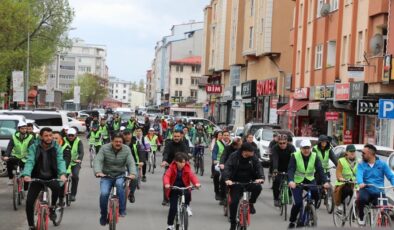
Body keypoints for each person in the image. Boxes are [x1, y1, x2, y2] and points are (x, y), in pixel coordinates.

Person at [22, 127, 67, 230]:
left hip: (52, 177)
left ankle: (52, 208)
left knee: (57, 188)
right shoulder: (34, 147)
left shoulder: (57, 147)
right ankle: (31, 225)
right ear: (41, 137)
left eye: (50, 135)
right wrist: (27, 174)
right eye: (46, 136)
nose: (49, 138)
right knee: (29, 202)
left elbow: (60, 161)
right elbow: (30, 161)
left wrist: (62, 174)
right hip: (37, 178)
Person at [93, 133, 136, 225]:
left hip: (120, 175)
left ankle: (122, 210)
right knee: (104, 194)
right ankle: (103, 215)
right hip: (106, 175)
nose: (118, 143)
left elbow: (131, 162)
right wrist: (97, 171)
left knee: (120, 185)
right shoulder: (104, 148)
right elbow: (98, 160)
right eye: (116, 141)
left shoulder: (126, 149)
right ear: (111, 141)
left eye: (120, 142)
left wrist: (132, 173)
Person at [287, 140, 330, 228]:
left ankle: (311, 209)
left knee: (316, 192)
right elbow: (291, 169)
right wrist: (291, 181)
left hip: (310, 179)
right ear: (300, 148)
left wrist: (325, 181)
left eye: (308, 148)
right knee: (298, 203)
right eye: (304, 148)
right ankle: (292, 220)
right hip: (297, 181)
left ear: (311, 148)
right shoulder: (295, 156)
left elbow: (320, 170)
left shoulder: (315, 156)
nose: (306, 150)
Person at [223, 143, 265, 230]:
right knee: (234, 202)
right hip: (236, 183)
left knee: (258, 188)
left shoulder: (253, 157)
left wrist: (261, 177)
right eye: (251, 151)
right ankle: (233, 223)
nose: (253, 153)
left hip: (249, 182)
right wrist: (227, 179)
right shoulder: (234, 156)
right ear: (245, 151)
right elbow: (227, 167)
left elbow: (258, 166)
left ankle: (251, 203)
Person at [356, 144, 394, 226]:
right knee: (361, 199)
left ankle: (383, 223)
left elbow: (391, 176)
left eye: (363, 153)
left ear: (370, 154)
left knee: (384, 209)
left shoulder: (382, 164)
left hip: (379, 191)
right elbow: (359, 174)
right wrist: (361, 183)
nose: (362, 154)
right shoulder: (361, 164)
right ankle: (361, 217)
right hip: (366, 189)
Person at [163, 152, 201, 230]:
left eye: (184, 162)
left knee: (187, 193)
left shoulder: (187, 168)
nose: (183, 164)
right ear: (176, 161)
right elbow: (167, 176)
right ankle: (170, 225)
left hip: (184, 187)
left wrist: (196, 183)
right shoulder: (171, 168)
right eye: (181, 162)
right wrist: (167, 184)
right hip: (174, 187)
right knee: (173, 208)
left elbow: (192, 176)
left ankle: (186, 206)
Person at [161, 130, 189, 205]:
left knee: (185, 180)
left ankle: (185, 198)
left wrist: (186, 161)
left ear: (181, 136)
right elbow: (166, 153)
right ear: (172, 136)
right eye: (175, 136)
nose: (176, 138)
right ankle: (166, 199)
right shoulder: (169, 144)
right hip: (169, 165)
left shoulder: (183, 145)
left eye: (178, 136)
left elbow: (186, 154)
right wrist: (164, 161)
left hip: (181, 166)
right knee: (165, 179)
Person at [2, 121, 34, 185]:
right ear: (19, 129)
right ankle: (11, 179)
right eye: (22, 128)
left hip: (26, 158)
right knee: (9, 162)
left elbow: (31, 148)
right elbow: (9, 147)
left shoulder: (30, 137)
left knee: (27, 173)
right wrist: (6, 155)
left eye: (25, 128)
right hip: (15, 156)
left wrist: (31, 156)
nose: (24, 130)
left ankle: (26, 190)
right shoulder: (14, 136)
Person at [271, 134, 296, 207]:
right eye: (280, 143)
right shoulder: (275, 148)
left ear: (287, 142)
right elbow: (275, 159)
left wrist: (294, 169)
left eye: (284, 143)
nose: (282, 145)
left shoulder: (291, 147)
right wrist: (275, 169)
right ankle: (276, 198)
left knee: (291, 182)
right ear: (278, 143)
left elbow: (294, 159)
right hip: (278, 167)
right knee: (276, 182)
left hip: (289, 167)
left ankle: (290, 195)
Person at [219, 137, 243, 205]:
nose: (238, 146)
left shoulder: (242, 150)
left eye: (239, 144)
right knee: (223, 180)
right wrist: (222, 164)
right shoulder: (228, 148)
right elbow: (223, 156)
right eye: (237, 144)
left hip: (238, 168)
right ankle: (223, 197)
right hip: (228, 167)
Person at [334, 144, 358, 212]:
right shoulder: (341, 161)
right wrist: (341, 178)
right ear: (346, 152)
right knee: (347, 190)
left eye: (354, 151)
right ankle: (340, 204)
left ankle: (354, 209)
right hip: (343, 183)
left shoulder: (358, 161)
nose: (352, 153)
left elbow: (361, 172)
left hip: (355, 183)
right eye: (351, 151)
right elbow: (338, 172)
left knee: (361, 193)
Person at [123, 129, 144, 203]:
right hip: (121, 163)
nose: (127, 136)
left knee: (135, 178)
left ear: (131, 135)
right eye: (125, 134)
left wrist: (141, 161)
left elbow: (141, 152)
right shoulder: (119, 141)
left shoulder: (136, 142)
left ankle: (131, 193)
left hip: (133, 163)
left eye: (128, 134)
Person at [63, 128, 84, 202]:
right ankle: (61, 192)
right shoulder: (63, 139)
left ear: (75, 135)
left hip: (74, 162)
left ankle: (73, 194)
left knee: (75, 176)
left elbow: (81, 152)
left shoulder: (79, 141)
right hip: (64, 161)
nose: (71, 137)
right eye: (69, 135)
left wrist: (79, 159)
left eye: (72, 135)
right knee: (62, 176)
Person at [53, 131, 72, 206]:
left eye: (56, 138)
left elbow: (66, 160)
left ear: (61, 138)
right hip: (53, 168)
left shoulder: (66, 147)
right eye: (53, 138)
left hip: (64, 169)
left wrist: (62, 171)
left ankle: (61, 199)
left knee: (61, 182)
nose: (54, 140)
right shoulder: (49, 145)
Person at [212, 130, 232, 201]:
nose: (226, 136)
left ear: (229, 136)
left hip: (230, 163)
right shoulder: (217, 143)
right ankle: (217, 192)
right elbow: (214, 152)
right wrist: (214, 159)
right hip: (219, 162)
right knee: (216, 174)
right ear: (222, 136)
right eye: (225, 135)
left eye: (227, 135)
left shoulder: (232, 143)